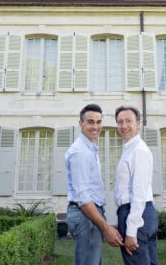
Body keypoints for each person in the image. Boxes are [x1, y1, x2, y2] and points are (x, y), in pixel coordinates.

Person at [65, 103, 124, 265]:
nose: (95, 127)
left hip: (88, 215)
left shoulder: (89, 148)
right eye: (90, 122)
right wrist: (106, 227)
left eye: (98, 122)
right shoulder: (81, 152)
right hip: (86, 215)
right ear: (80, 123)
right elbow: (83, 197)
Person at [114, 105, 158, 265]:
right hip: (141, 213)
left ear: (138, 123)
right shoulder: (129, 149)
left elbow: (139, 193)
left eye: (128, 121)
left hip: (135, 214)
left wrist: (131, 230)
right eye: (120, 122)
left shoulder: (138, 150)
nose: (123, 126)